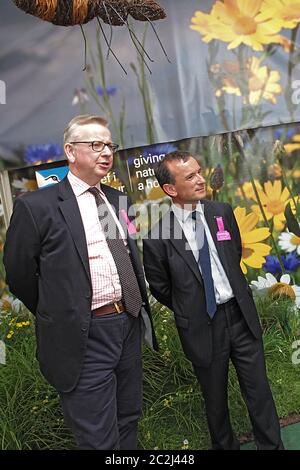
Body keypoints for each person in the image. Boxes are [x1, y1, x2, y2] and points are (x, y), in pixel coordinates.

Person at [3, 114, 157, 450]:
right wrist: (60, 310)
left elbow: (128, 256)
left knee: (128, 418)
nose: (106, 152)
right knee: (97, 436)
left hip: (127, 324)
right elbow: (18, 273)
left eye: (109, 145)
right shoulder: (37, 206)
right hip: (83, 336)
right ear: (71, 152)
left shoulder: (116, 200)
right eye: (96, 145)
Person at [143, 151, 284, 450]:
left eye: (199, 172)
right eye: (190, 176)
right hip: (202, 325)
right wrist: (193, 306)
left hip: (240, 316)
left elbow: (232, 255)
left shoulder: (221, 211)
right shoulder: (158, 236)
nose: (201, 179)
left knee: (260, 394)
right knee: (216, 404)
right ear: (170, 189)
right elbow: (161, 287)